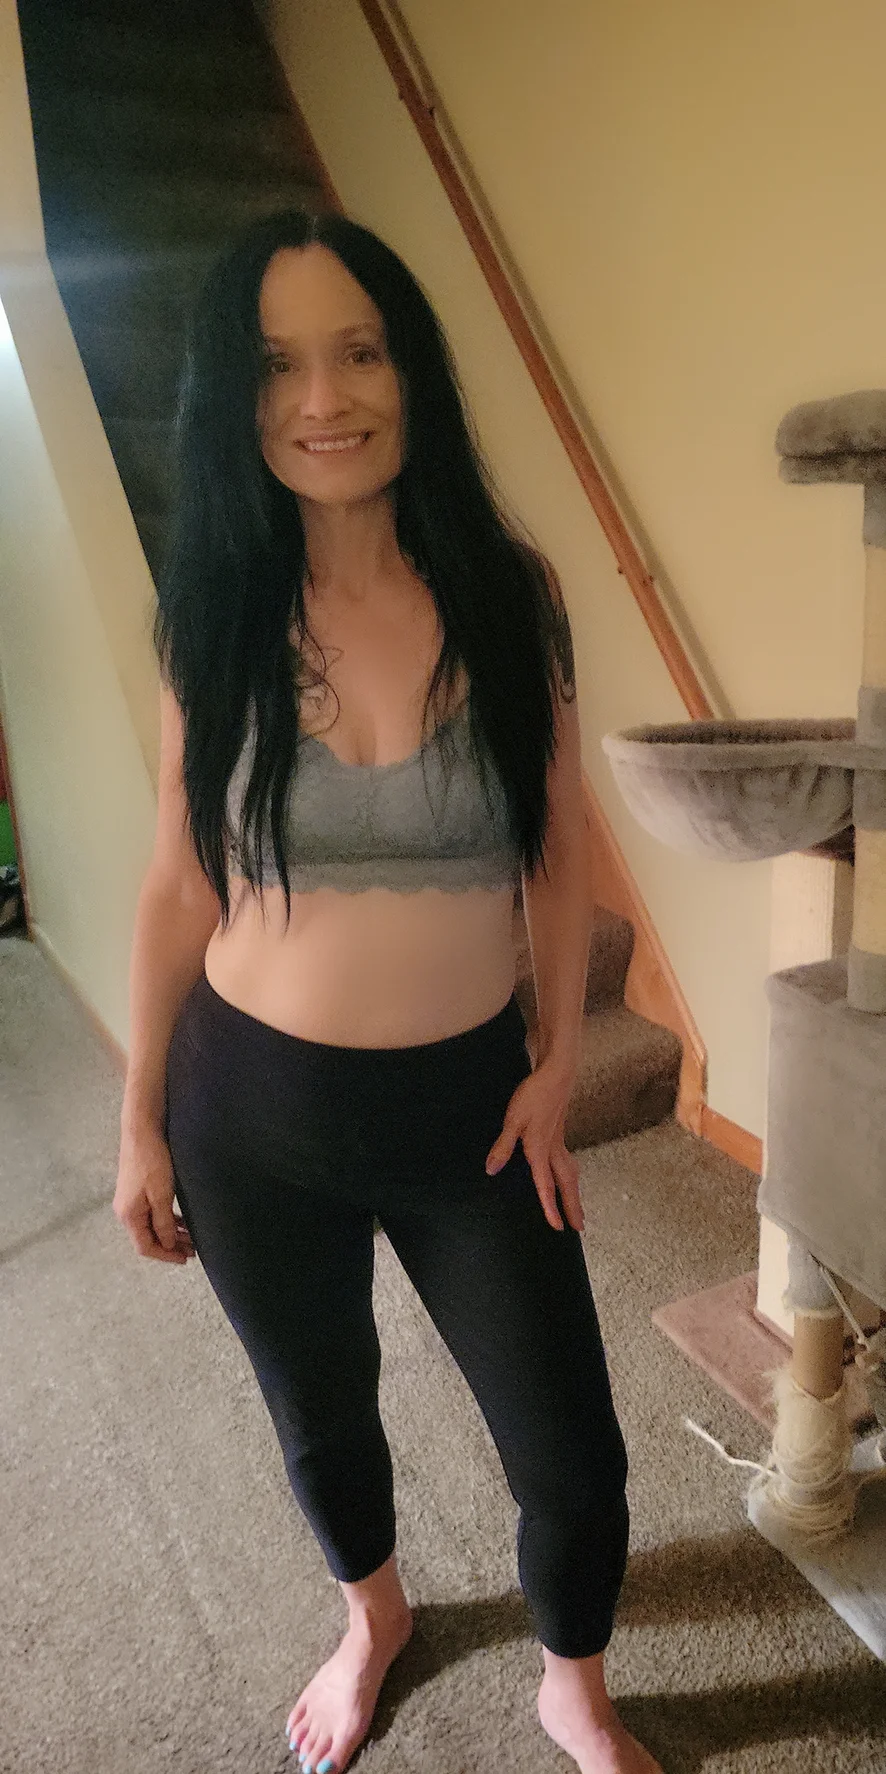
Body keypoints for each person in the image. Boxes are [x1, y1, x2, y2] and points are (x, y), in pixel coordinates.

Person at [113, 208, 661, 1774]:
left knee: (571, 1451)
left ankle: (572, 1687)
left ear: (411, 367)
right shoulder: (211, 607)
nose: (321, 398)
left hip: (469, 1106)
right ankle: (374, 1618)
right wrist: (139, 1115)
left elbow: (554, 844)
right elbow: (179, 877)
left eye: (358, 350)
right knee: (320, 1413)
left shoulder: (509, 589)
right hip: (249, 1108)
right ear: (233, 397)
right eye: (276, 364)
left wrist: (555, 1056)